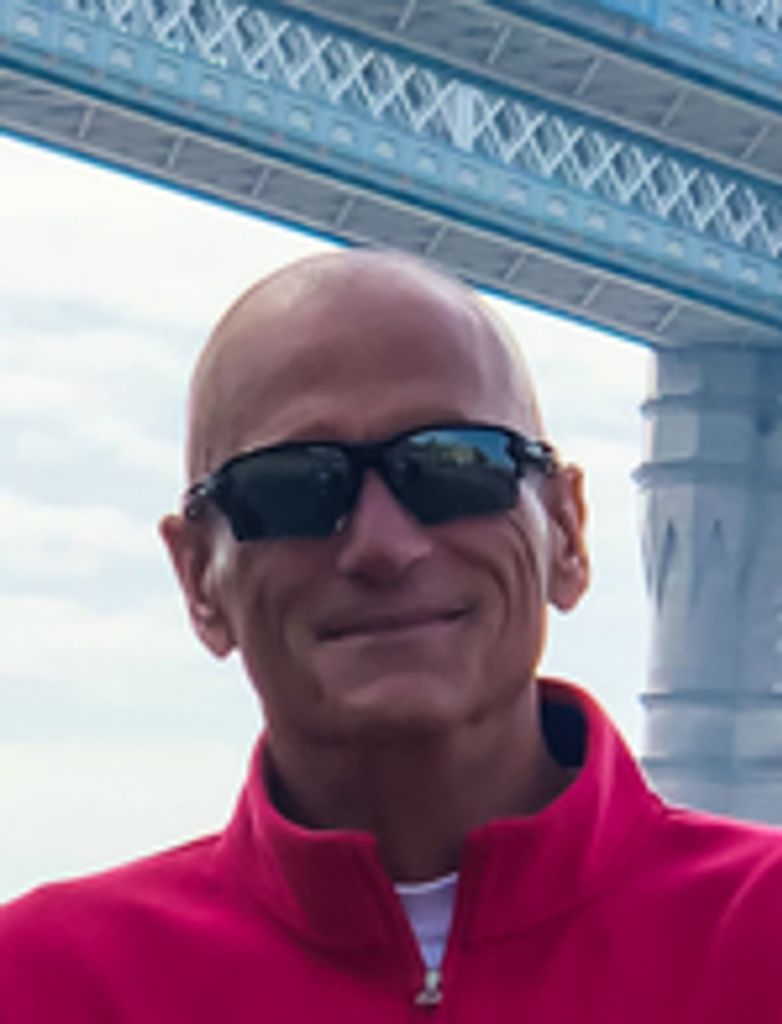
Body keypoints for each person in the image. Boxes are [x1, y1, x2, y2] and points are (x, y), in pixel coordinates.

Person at [1, 249, 781, 1022]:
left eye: (453, 465)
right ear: (198, 576)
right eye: (295, 486)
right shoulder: (42, 983)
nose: (383, 545)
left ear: (567, 533)